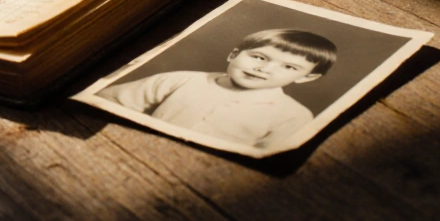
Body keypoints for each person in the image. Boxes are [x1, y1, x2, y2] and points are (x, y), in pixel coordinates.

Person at [96, 29, 337, 150]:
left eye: (287, 66)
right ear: (234, 54)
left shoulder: (292, 115)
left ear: (307, 77)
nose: (265, 70)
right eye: (259, 57)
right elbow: (111, 101)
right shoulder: (180, 80)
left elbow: (268, 157)